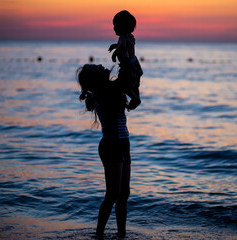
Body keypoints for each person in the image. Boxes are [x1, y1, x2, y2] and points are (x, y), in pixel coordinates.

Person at [77, 64, 134, 239]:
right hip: (111, 144)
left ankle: (121, 234)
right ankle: (99, 235)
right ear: (95, 77)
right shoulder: (102, 93)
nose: (101, 65)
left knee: (124, 194)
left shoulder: (109, 89)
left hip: (123, 142)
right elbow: (121, 95)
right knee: (113, 194)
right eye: (96, 67)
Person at [108, 10, 143, 111]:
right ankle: (136, 97)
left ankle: (135, 98)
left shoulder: (123, 37)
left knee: (123, 85)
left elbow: (123, 47)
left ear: (122, 26)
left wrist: (115, 54)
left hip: (127, 65)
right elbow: (124, 46)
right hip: (134, 63)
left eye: (115, 25)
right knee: (134, 83)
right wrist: (115, 46)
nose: (113, 28)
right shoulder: (129, 36)